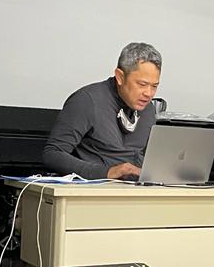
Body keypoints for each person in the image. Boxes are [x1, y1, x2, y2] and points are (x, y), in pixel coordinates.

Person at [43, 42, 162, 180]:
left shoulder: (148, 110)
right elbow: (52, 154)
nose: (148, 93)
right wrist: (107, 172)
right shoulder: (87, 100)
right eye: (142, 84)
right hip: (97, 188)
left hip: (137, 189)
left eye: (154, 86)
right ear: (120, 77)